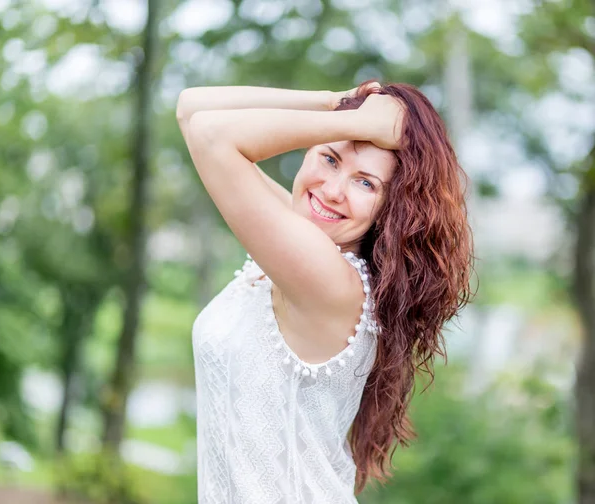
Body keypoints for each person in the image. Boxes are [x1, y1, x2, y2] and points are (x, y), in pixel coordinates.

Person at [176, 81, 474, 503]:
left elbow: (213, 136)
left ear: (389, 213)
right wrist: (334, 103)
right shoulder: (299, 247)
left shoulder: (331, 281)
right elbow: (191, 111)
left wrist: (351, 121)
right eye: (329, 158)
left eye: (366, 184)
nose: (333, 190)